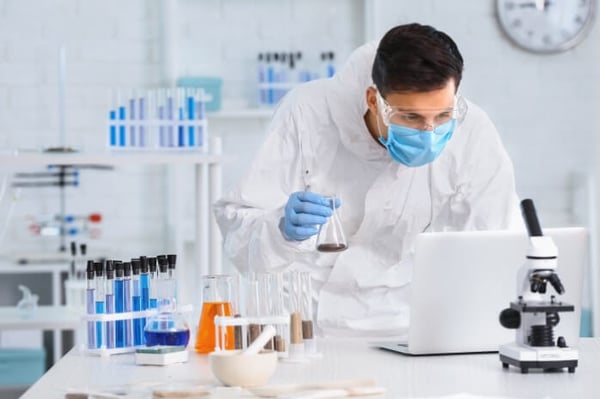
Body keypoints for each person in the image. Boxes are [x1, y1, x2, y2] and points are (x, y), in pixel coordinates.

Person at [214, 23, 522, 338]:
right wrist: (279, 229)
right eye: (410, 117)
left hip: (411, 327)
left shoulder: (473, 132)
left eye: (442, 116)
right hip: (304, 325)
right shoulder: (308, 112)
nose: (429, 133)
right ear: (373, 100)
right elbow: (238, 231)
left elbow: (492, 249)